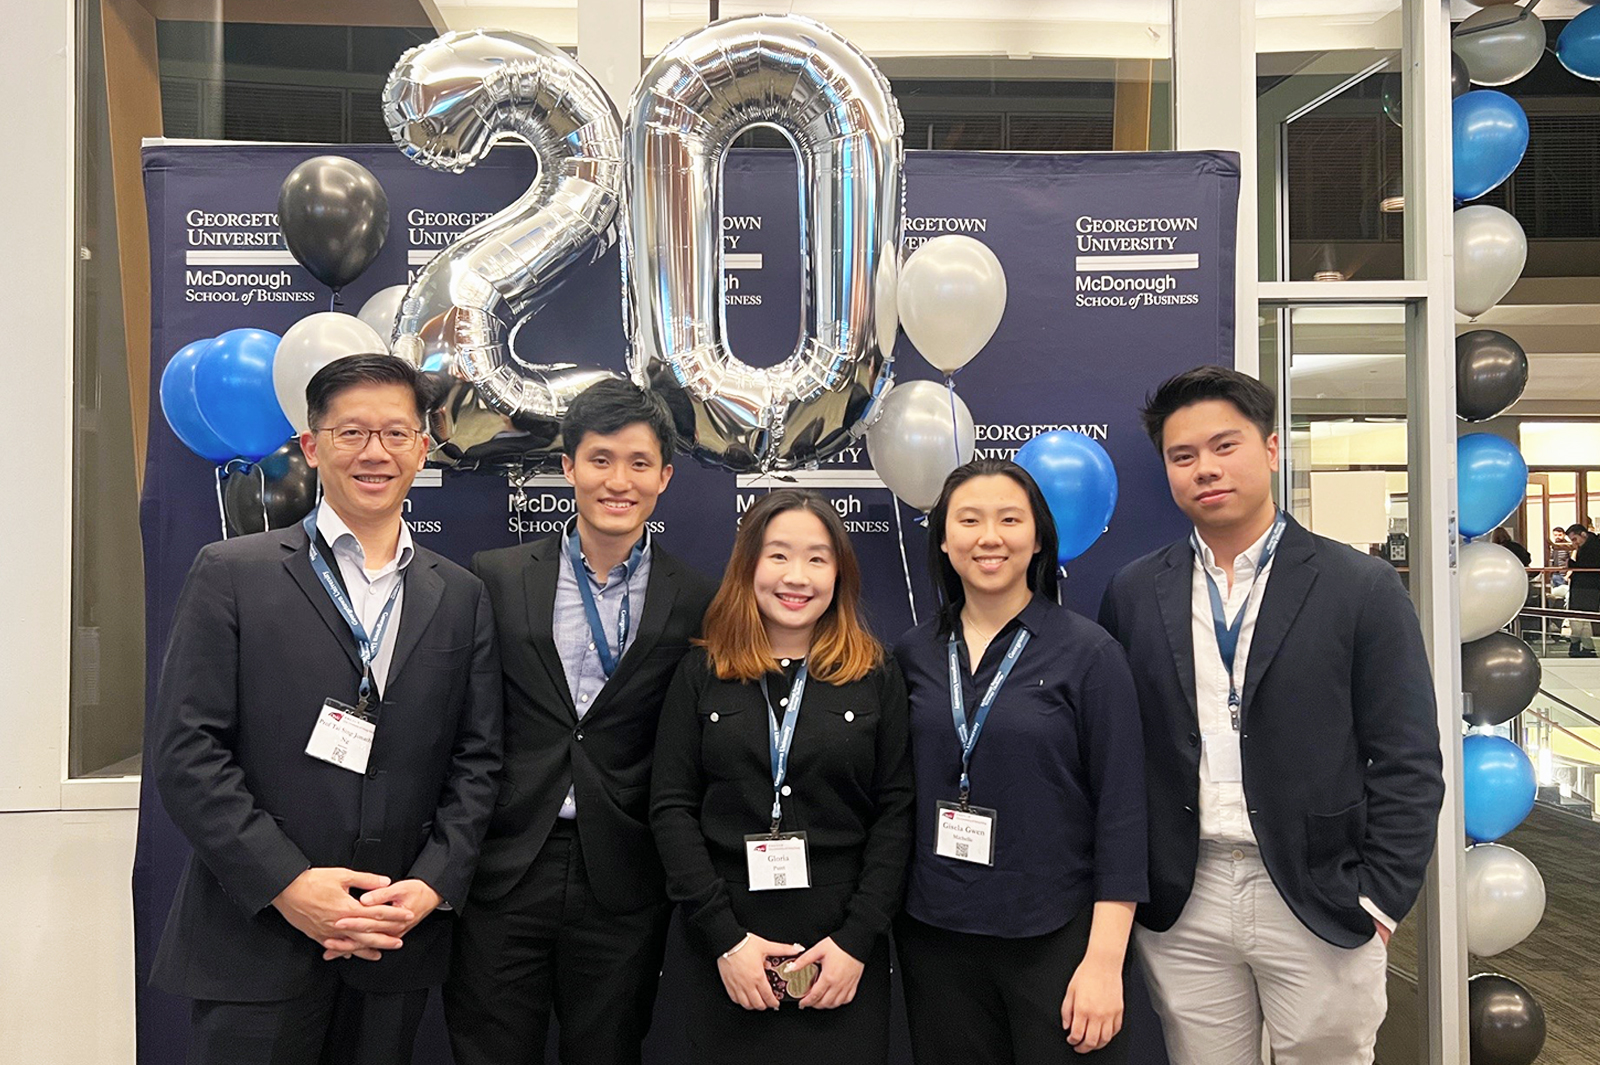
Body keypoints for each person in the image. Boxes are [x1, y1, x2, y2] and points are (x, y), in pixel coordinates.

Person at [150, 354, 503, 1065]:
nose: (375, 452)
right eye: (351, 433)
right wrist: (288, 885)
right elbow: (189, 754)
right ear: (312, 447)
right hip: (256, 943)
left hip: (389, 942)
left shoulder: (459, 594)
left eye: (396, 433)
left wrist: (433, 884)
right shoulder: (232, 573)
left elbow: (478, 760)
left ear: (421, 449)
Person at [1098, 365, 1444, 1065]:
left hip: (1318, 893)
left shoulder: (1360, 586)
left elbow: (1408, 758)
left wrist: (1377, 902)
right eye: (1182, 455)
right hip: (1184, 894)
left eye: (1225, 446)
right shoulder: (1136, 591)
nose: (1205, 469)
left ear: (1271, 447)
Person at [446, 379, 717, 1065]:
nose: (617, 480)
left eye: (636, 462)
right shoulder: (498, 577)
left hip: (623, 874)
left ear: (665, 475)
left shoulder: (697, 599)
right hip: (507, 865)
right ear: (568, 467)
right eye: (599, 459)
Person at [894, 458, 1147, 1065]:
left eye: (1010, 519)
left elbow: (1122, 814)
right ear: (945, 539)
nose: (990, 537)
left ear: (1037, 538)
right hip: (935, 935)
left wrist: (1105, 962)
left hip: (1055, 936)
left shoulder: (1089, 653)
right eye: (970, 520)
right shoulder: (912, 654)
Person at [649, 489, 914, 1062]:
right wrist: (726, 940)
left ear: (839, 573)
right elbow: (670, 808)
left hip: (840, 947)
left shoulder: (874, 673)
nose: (798, 576)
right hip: (725, 941)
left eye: (818, 558)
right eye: (778, 555)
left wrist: (856, 941)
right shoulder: (701, 670)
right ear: (749, 566)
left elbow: (897, 811)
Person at [1564, 522, 1600, 657]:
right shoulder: (1592, 544)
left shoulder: (1592, 547)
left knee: (1579, 617)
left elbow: (1585, 567)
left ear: (1583, 535)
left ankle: (1580, 645)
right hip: (1589, 587)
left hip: (1585, 587)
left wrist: (1571, 564)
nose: (1574, 543)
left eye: (1575, 539)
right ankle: (1586, 646)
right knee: (1584, 618)